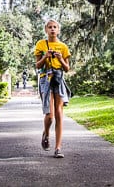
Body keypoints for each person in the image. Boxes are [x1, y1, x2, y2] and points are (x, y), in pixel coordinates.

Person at [34, 18, 71, 158]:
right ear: (46, 30)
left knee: (59, 114)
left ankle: (58, 148)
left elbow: (67, 68)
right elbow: (37, 65)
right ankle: (46, 133)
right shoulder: (41, 44)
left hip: (59, 78)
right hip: (46, 78)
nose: (52, 29)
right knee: (49, 115)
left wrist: (61, 59)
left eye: (55, 27)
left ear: (58, 30)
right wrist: (45, 56)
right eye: (50, 27)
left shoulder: (63, 46)